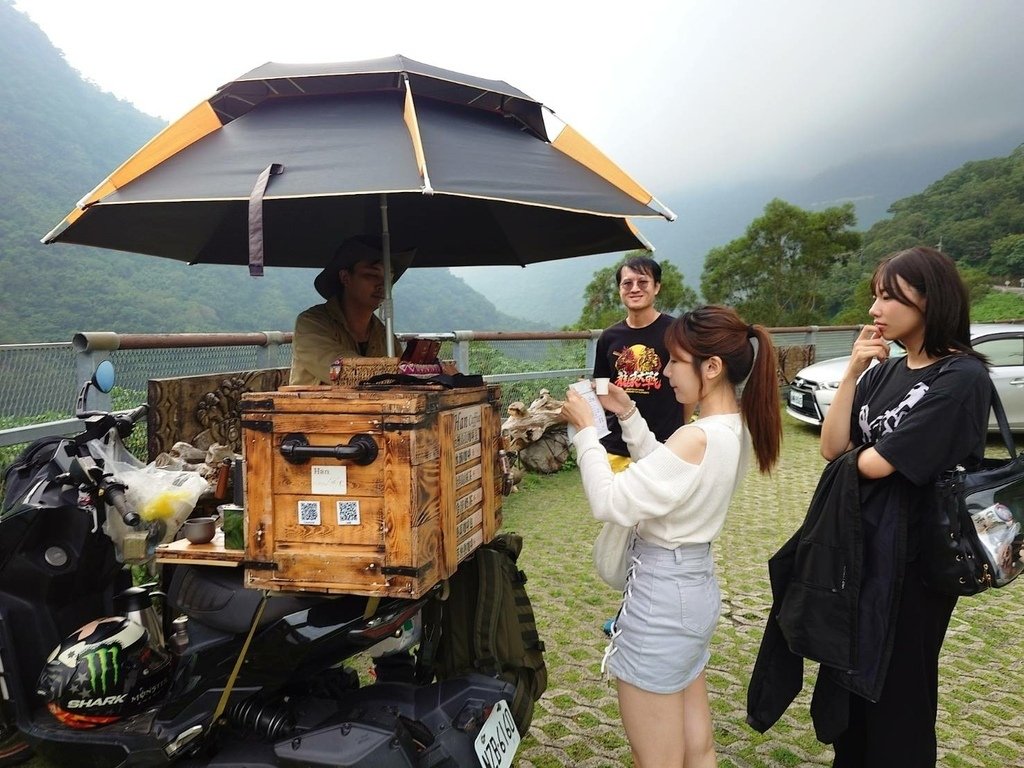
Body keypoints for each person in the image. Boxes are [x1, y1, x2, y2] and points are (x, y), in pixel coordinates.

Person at [563, 305, 782, 768]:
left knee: (657, 759)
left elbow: (611, 501)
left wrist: (585, 434)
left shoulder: (697, 435)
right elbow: (670, 473)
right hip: (694, 589)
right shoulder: (732, 427)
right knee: (697, 748)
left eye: (675, 361)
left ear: (712, 367)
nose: (665, 371)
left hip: (661, 600)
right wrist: (629, 415)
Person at [814, 246, 990, 766]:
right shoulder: (883, 372)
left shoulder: (962, 378)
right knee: (851, 678)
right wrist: (850, 373)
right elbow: (832, 446)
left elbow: (875, 464)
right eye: (875, 295)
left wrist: (855, 455)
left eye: (889, 296)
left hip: (917, 562)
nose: (875, 309)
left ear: (929, 301)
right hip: (862, 547)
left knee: (900, 690)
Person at [594, 256, 687, 472]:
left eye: (643, 282)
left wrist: (677, 427)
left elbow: (689, 388)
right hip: (616, 446)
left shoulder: (676, 332)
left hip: (665, 444)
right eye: (627, 283)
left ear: (657, 287)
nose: (634, 288)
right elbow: (601, 387)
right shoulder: (609, 337)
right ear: (620, 290)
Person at [289, 236, 410, 385]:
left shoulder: (385, 337)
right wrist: (396, 371)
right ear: (346, 278)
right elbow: (340, 369)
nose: (382, 285)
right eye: (372, 275)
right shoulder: (311, 323)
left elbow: (405, 379)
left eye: (388, 277)